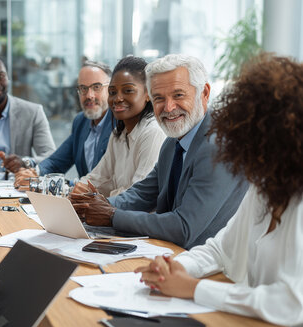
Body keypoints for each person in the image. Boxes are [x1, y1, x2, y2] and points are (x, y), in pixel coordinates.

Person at [135, 55, 303, 327]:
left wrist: (192, 288)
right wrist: (176, 268)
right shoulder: (265, 188)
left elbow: (292, 304)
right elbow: (220, 249)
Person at [70, 54, 248, 249]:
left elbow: (183, 227)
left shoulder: (218, 146)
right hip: (174, 255)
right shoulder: (174, 141)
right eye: (159, 98)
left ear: (204, 93)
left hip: (213, 268)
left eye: (178, 95)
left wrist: (112, 215)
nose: (168, 107)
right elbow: (143, 194)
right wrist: (92, 207)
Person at [74, 56, 166, 197]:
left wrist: (100, 198)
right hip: (114, 214)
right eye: (112, 92)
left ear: (148, 93)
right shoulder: (119, 134)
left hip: (137, 217)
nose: (117, 98)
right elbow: (99, 177)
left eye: (128, 90)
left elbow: (139, 195)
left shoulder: (153, 132)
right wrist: (79, 189)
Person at [14, 60, 115, 185]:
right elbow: (56, 161)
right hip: (84, 202)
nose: (89, 95)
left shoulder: (119, 124)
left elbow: (105, 181)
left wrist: (64, 185)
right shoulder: (81, 121)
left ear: (110, 89)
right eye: (83, 88)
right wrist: (35, 173)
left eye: (96, 87)